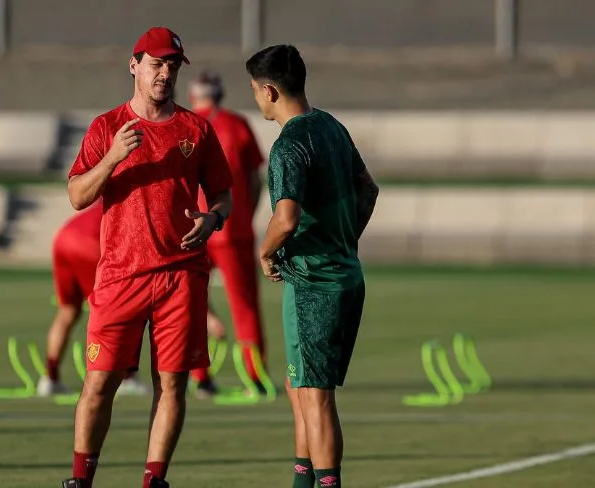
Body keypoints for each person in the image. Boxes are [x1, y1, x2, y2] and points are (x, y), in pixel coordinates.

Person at [62, 26, 233, 488]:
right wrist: (113, 157)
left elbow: (223, 194)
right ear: (134, 65)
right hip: (121, 276)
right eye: (156, 64)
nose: (165, 74)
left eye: (172, 66)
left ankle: (154, 480)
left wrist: (213, 219)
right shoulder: (105, 127)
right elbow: (77, 195)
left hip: (181, 276)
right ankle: (81, 480)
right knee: (99, 384)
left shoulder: (195, 129)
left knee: (173, 384)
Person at [245, 45, 379, 488]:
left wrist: (265, 253)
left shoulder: (289, 143)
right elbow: (368, 188)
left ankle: (326, 483)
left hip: (313, 284)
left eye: (255, 92)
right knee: (299, 387)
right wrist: (344, 237)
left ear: (269, 91)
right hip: (346, 276)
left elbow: (286, 219)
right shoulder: (332, 127)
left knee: (316, 398)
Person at [187, 70, 267, 397]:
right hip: (234, 228)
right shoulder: (237, 125)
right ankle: (255, 375)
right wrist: (245, 210)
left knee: (190, 302)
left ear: (193, 96)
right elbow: (255, 179)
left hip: (194, 227)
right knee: (245, 305)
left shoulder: (184, 125)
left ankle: (199, 375)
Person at [40, 199, 150, 397]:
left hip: (64, 238)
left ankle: (50, 378)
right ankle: (127, 378)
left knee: (67, 310)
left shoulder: (109, 196)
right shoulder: (135, 204)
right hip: (88, 242)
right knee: (121, 309)